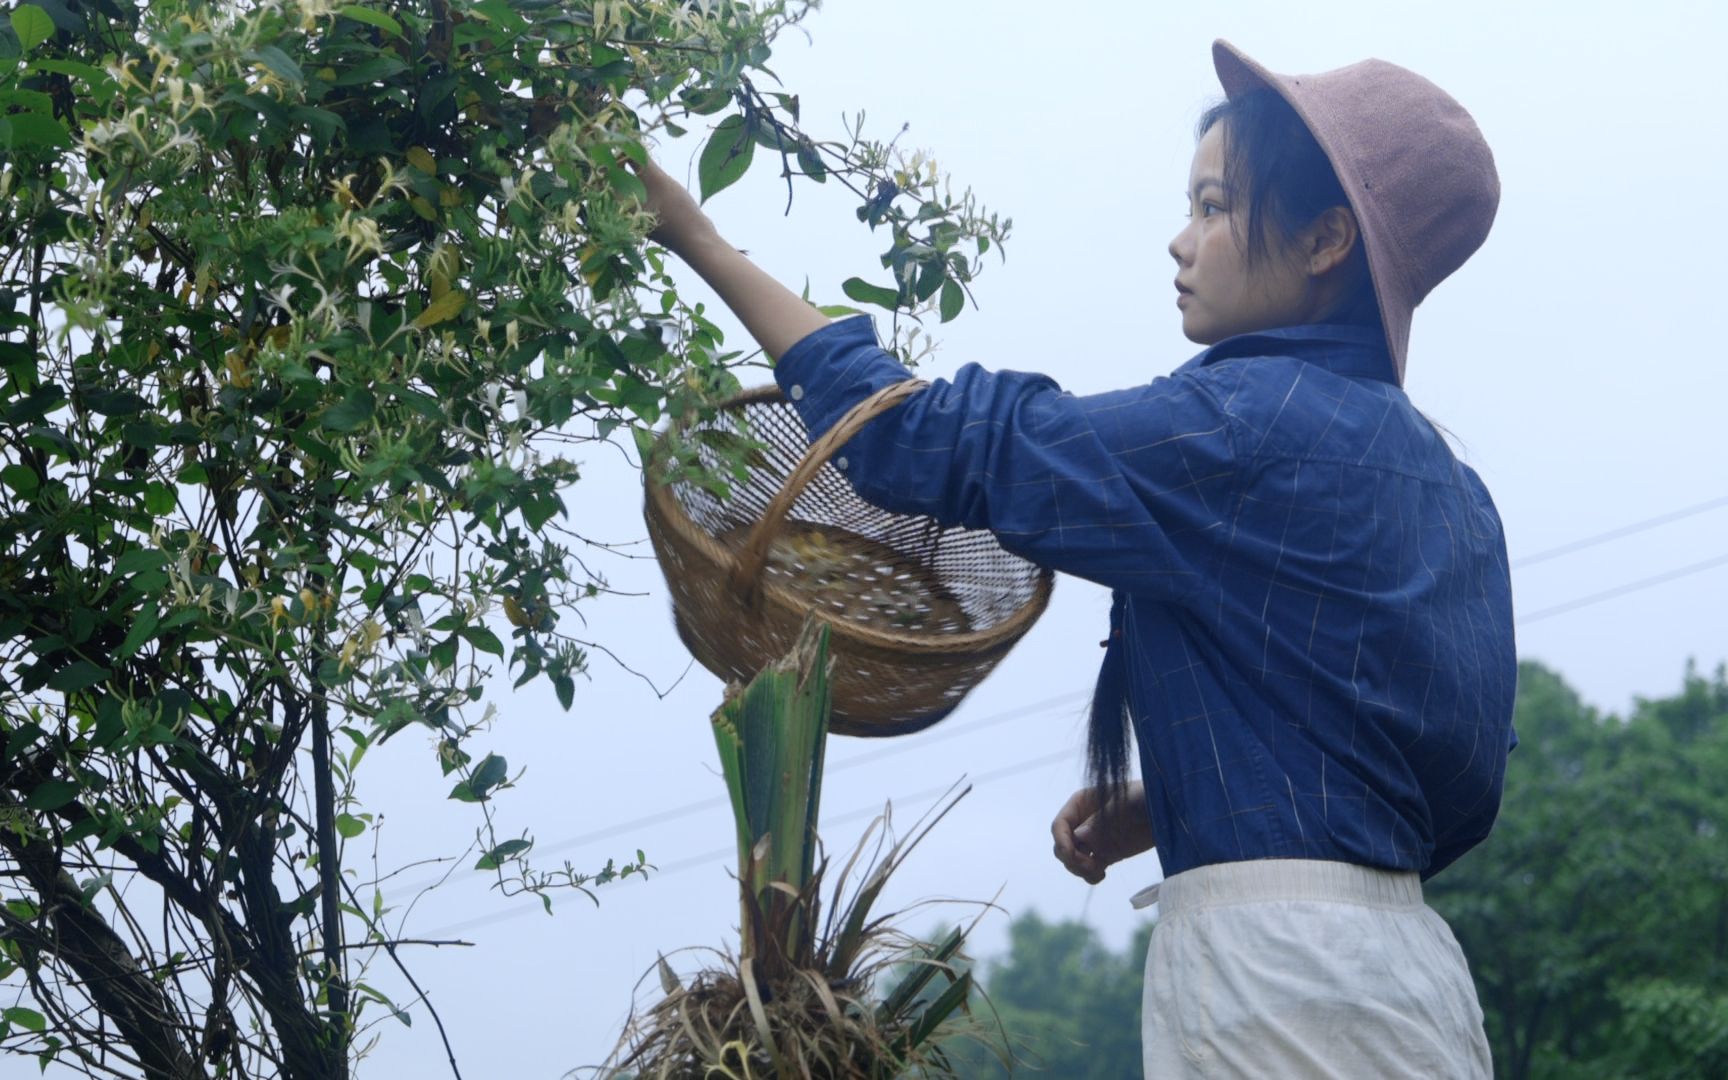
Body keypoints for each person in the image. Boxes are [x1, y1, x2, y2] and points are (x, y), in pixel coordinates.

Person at [640, 39, 1515, 1079]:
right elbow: (1456, 791)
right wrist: (1196, 794)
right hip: (1414, 981)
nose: (1182, 242)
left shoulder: (1238, 428)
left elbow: (911, 439)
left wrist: (695, 237)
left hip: (1281, 984)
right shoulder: (1456, 495)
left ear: (1327, 239)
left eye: (1215, 206)